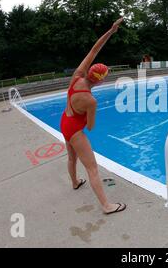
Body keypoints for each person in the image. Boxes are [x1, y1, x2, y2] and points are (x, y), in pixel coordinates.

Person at [60, 17, 126, 215]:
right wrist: (92, 114)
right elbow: (89, 127)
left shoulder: (77, 76)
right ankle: (107, 206)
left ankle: (74, 183)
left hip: (64, 121)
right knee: (92, 168)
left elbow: (94, 50)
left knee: (72, 158)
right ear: (99, 82)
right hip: (75, 130)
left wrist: (111, 30)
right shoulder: (91, 101)